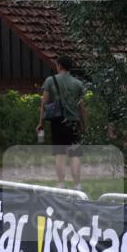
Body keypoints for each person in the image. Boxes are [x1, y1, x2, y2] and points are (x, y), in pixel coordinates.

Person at [36, 55, 88, 190]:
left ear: (59, 65)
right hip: (74, 122)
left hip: (58, 122)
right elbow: (82, 107)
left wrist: (40, 122)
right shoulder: (78, 84)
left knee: (60, 153)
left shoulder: (50, 80)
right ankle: (77, 185)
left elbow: (44, 103)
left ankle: (61, 183)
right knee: (75, 154)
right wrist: (84, 125)